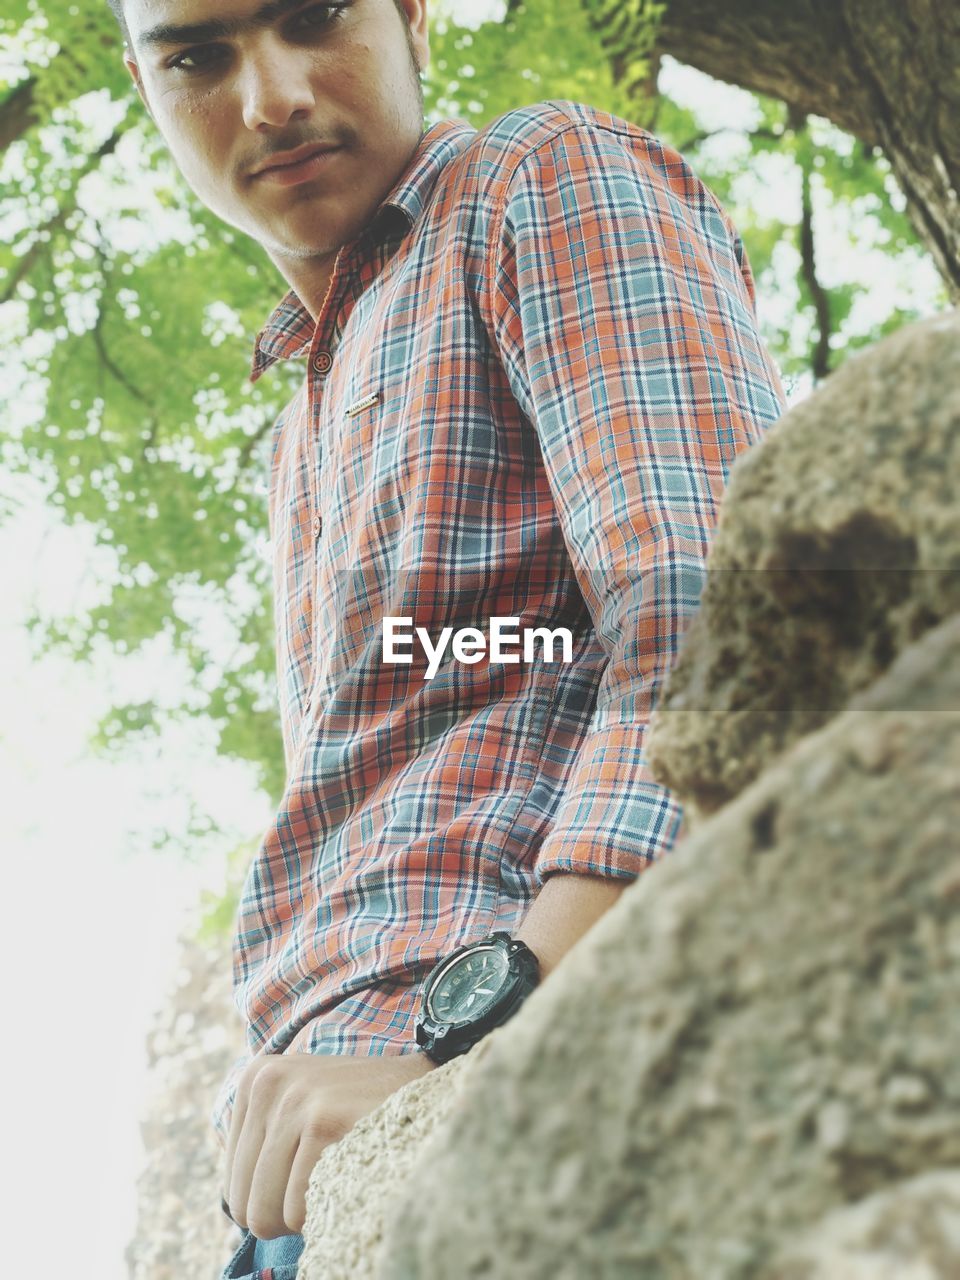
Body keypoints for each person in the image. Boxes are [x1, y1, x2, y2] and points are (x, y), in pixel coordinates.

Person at [113, 0, 786, 1274]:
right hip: (314, 1179)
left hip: (513, 1099)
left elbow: (725, 613)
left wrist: (478, 1035)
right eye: (197, 56)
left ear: (413, 18)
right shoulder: (300, 430)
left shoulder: (539, 178)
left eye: (313, 16)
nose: (268, 97)